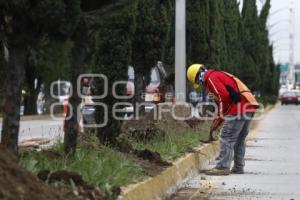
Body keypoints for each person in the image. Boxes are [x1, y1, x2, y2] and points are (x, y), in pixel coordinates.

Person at [186, 64, 259, 175]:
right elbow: (225, 97)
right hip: (249, 104)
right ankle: (238, 167)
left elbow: (223, 97)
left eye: (198, 82)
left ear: (198, 77)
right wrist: (220, 116)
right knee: (239, 138)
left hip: (239, 106)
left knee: (226, 136)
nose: (201, 85)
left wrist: (220, 118)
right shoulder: (217, 75)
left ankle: (222, 167)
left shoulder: (210, 77)